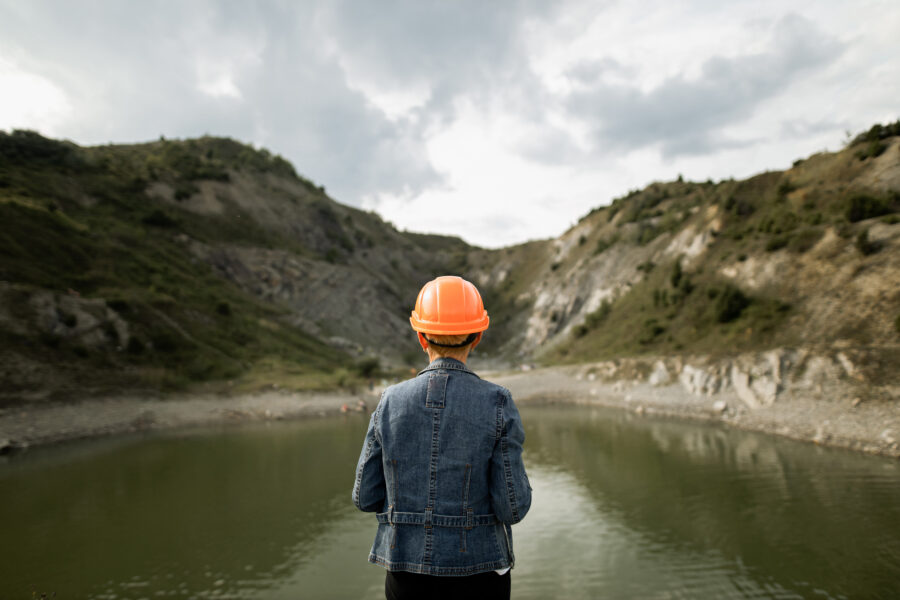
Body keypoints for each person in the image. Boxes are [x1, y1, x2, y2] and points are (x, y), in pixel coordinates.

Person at [353, 275, 532, 600]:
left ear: (421, 337)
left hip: (405, 571)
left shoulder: (389, 400)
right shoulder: (498, 401)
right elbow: (513, 508)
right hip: (481, 571)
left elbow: (365, 497)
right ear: (477, 336)